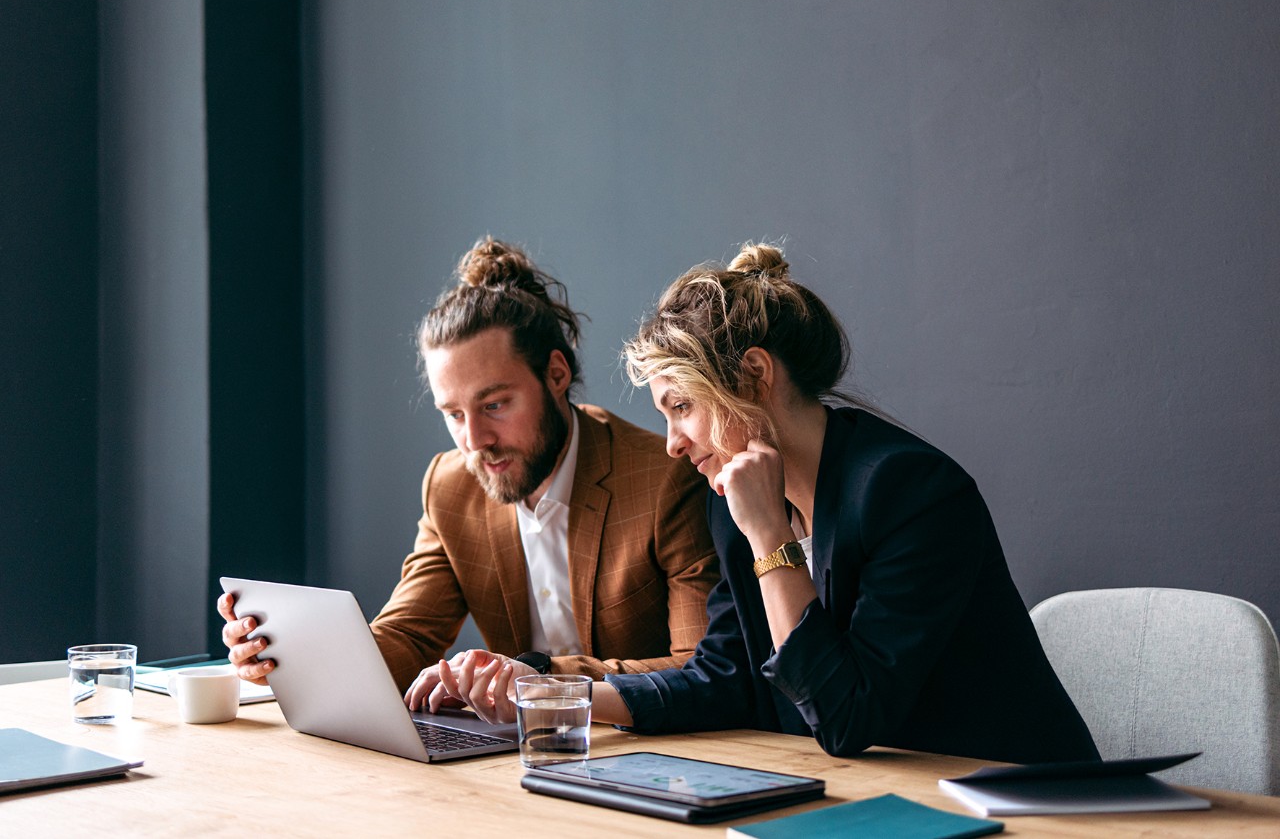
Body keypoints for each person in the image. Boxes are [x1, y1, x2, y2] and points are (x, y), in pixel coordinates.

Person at [432, 242, 1100, 765]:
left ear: (754, 374)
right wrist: (549, 696)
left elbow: (848, 716)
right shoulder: (734, 500)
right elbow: (726, 679)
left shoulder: (910, 493)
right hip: (880, 800)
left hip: (1019, 802)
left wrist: (769, 537)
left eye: (683, 407)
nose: (672, 443)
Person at [218, 237, 719, 708]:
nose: (475, 440)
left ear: (557, 375)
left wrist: (538, 675)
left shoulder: (665, 477)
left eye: (495, 404)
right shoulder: (450, 485)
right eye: (454, 415)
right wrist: (290, 653)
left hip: (648, 755)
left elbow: (696, 666)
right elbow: (408, 635)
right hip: (517, 758)